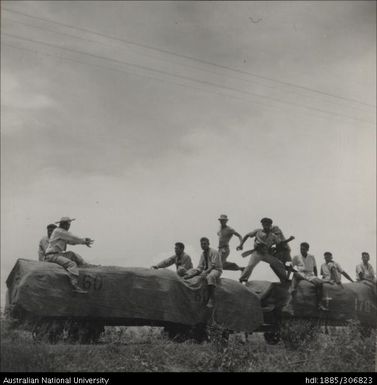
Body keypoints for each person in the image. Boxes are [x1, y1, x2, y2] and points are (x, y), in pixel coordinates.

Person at [44, 217, 94, 293]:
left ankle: (85, 265)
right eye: (68, 224)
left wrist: (83, 242)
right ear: (64, 225)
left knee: (72, 254)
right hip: (51, 256)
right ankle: (74, 285)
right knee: (72, 264)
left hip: (58, 254)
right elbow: (72, 237)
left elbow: (71, 241)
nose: (69, 226)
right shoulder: (60, 231)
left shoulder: (61, 233)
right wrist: (84, 240)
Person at [237, 217, 290, 284]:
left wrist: (289, 239)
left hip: (265, 254)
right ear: (262, 225)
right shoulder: (257, 231)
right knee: (250, 266)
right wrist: (241, 244)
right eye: (264, 224)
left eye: (268, 224)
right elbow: (247, 235)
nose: (266, 226)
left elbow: (280, 243)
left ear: (270, 225)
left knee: (279, 264)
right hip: (257, 253)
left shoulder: (273, 235)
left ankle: (284, 280)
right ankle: (242, 279)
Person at [184, 237, 222, 308]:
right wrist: (192, 274)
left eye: (205, 244)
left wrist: (205, 272)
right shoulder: (202, 254)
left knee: (210, 276)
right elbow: (200, 267)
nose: (203, 245)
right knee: (191, 271)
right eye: (202, 244)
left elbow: (213, 265)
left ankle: (211, 298)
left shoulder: (214, 252)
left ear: (208, 244)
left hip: (216, 269)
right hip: (206, 270)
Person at [291, 242, 327, 310]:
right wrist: (288, 276)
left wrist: (316, 277)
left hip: (310, 274)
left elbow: (315, 268)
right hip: (301, 273)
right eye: (301, 249)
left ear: (307, 249)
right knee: (296, 274)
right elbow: (290, 266)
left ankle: (319, 304)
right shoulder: (296, 257)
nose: (302, 251)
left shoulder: (311, 257)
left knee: (320, 283)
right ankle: (292, 290)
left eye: (304, 249)